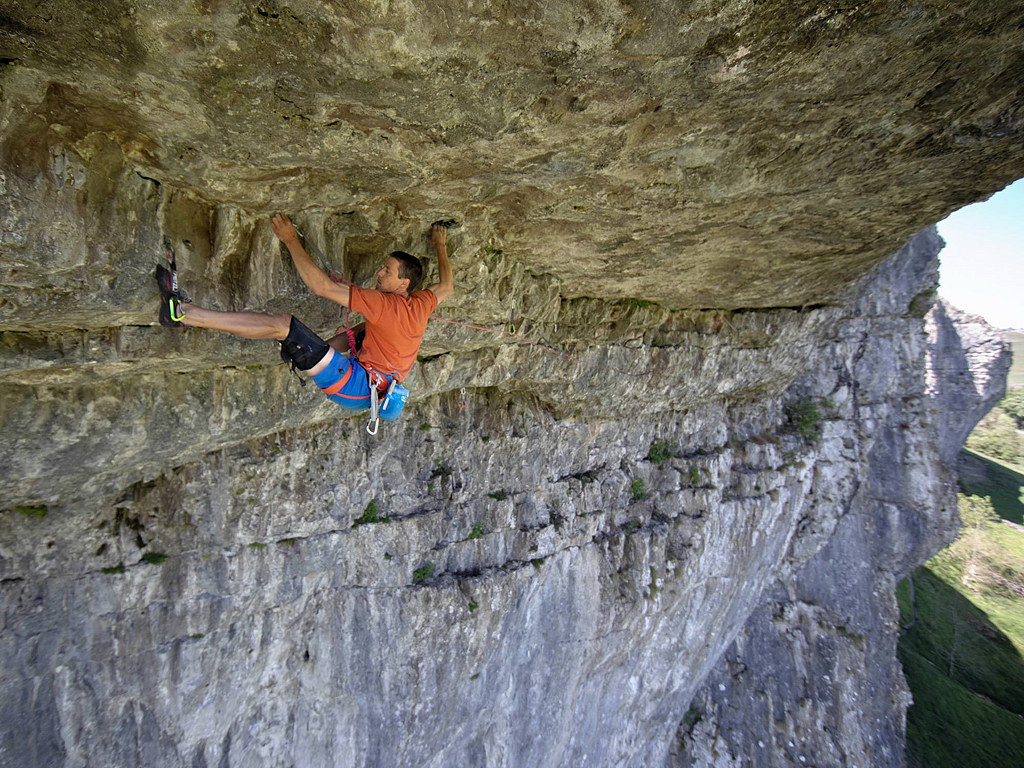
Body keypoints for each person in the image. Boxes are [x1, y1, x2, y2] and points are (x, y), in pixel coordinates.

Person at [156, 215, 453, 415]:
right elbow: (447, 286)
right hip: (370, 388)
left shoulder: (384, 304)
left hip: (357, 385)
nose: (379, 273)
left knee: (282, 325)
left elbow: (320, 286)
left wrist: (289, 239)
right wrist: (440, 246)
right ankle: (307, 351)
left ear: (404, 283)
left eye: (386, 271)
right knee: (363, 329)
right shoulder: (422, 302)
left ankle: (182, 313)